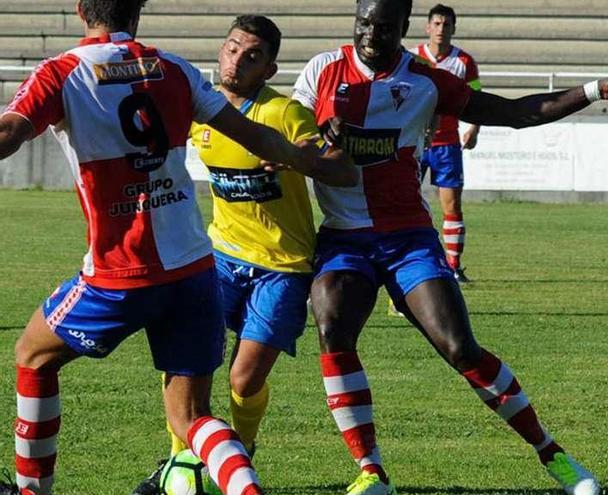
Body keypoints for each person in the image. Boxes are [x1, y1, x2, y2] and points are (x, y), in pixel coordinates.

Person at [0, 1, 356, 494]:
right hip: (193, 269)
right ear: (138, 10)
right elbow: (253, 135)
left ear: (81, 10)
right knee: (193, 418)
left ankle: (30, 489)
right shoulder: (174, 69)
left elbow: (9, 132)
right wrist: (308, 161)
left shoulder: (62, 72)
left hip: (121, 270)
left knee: (33, 354)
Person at [292, 1, 608, 494]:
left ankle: (554, 455)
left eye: (385, 26)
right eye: (364, 23)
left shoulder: (427, 80)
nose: (372, 34)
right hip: (343, 235)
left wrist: (593, 90)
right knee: (331, 326)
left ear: (404, 27)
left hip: (406, 239)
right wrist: (315, 136)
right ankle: (371, 471)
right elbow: (292, 135)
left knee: (460, 348)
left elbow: (514, 113)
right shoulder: (321, 69)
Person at [131, 15, 356, 495]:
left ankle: (240, 454)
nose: (237, 60)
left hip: (283, 267)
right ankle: (179, 464)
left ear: (269, 69)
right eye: (232, 48)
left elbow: (341, 171)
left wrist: (301, 158)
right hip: (218, 258)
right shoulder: (200, 111)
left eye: (252, 55)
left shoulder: (283, 114)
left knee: (243, 381)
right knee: (189, 368)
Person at [410, 3, 481, 283]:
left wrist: (474, 128)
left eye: (446, 25)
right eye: (436, 24)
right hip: (413, 143)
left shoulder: (464, 62)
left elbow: (475, 97)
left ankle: (453, 266)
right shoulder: (413, 58)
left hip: (447, 145)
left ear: (454, 28)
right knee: (406, 205)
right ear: (428, 27)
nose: (441, 29)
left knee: (451, 206)